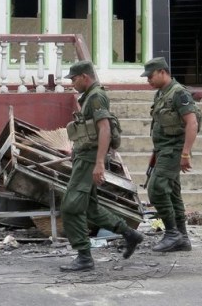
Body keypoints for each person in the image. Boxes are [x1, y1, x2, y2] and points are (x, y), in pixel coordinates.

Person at [60, 61, 143, 272]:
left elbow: (104, 129)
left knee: (70, 206)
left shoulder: (96, 97)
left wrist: (98, 163)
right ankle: (130, 234)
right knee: (90, 207)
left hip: (89, 160)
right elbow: (88, 130)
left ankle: (84, 257)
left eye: (74, 79)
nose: (72, 83)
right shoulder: (89, 96)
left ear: (85, 76)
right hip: (84, 156)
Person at [142, 57, 199, 252]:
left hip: (174, 149)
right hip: (163, 149)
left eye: (150, 76)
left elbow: (192, 123)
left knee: (157, 189)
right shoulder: (161, 94)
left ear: (162, 72)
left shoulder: (179, 93)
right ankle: (182, 237)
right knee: (173, 192)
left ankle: (172, 233)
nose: (148, 80)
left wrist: (185, 154)